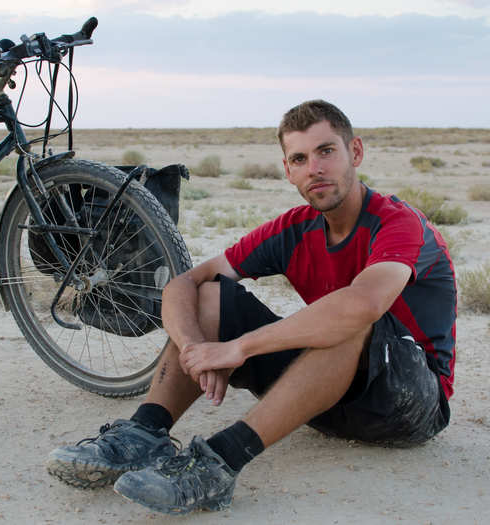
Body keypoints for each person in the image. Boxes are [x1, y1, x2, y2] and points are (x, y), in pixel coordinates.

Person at [45, 100, 456, 515]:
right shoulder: (293, 228)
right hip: (323, 399)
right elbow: (182, 284)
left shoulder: (397, 222)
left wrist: (238, 348)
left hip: (408, 404)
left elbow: (363, 303)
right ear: (288, 170)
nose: (314, 168)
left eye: (326, 151)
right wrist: (196, 350)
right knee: (209, 295)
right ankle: (144, 431)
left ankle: (218, 463)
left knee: (349, 317)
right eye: (300, 158)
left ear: (356, 153)